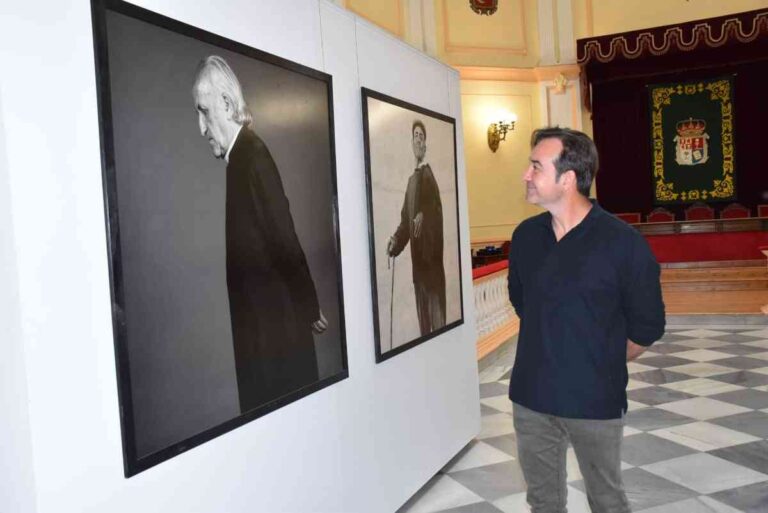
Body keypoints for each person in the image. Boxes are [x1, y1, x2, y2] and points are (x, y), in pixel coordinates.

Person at [507, 127, 665, 513]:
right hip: (531, 399)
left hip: (595, 401)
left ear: (568, 179)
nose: (526, 175)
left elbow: (647, 325)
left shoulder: (622, 243)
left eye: (535, 167)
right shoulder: (526, 237)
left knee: (607, 500)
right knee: (543, 501)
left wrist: (602, 357)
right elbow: (522, 302)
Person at [192, 55, 327, 413]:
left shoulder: (252, 155)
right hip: (264, 337)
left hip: (275, 340)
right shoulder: (241, 158)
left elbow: (284, 237)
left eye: (204, 111)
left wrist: (308, 304)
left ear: (225, 103)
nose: (201, 128)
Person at [386, 120, 446, 337]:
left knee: (438, 328)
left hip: (433, 268)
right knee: (425, 332)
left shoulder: (428, 175)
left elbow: (436, 210)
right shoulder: (411, 182)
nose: (418, 139)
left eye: (421, 136)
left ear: (425, 144)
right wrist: (395, 241)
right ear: (411, 143)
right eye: (415, 136)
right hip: (418, 270)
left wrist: (424, 214)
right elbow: (406, 222)